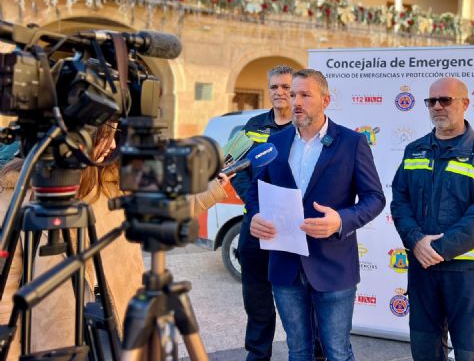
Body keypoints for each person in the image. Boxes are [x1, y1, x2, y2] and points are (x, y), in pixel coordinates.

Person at [0, 122, 229, 357]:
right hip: (56, 335)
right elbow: (5, 291)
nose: (112, 144)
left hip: (121, 322)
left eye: (116, 135)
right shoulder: (16, 193)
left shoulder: (116, 179)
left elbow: (162, 210)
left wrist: (211, 189)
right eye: (106, 134)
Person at [248, 69, 385, 361]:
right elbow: (255, 191)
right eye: (293, 94)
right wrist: (256, 217)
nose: (294, 101)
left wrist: (341, 221)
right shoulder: (276, 143)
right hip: (285, 267)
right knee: (298, 351)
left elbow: (375, 198)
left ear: (325, 100)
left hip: (333, 267)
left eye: (304, 95)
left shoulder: (351, 143)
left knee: (337, 352)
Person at [390, 77, 474, 361]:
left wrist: (436, 250)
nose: (437, 107)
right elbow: (400, 202)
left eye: (446, 100)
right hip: (424, 274)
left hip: (470, 276)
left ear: (465, 104)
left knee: (471, 354)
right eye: (432, 101)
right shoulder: (415, 150)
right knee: (425, 352)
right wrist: (416, 241)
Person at [232, 65, 295, 361]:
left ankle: (312, 352)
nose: (279, 92)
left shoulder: (304, 126)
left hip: (295, 226)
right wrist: (254, 207)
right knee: (256, 297)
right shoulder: (253, 126)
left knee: (300, 296)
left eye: (285, 87)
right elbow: (234, 169)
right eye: (274, 87)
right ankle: (257, 354)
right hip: (255, 223)